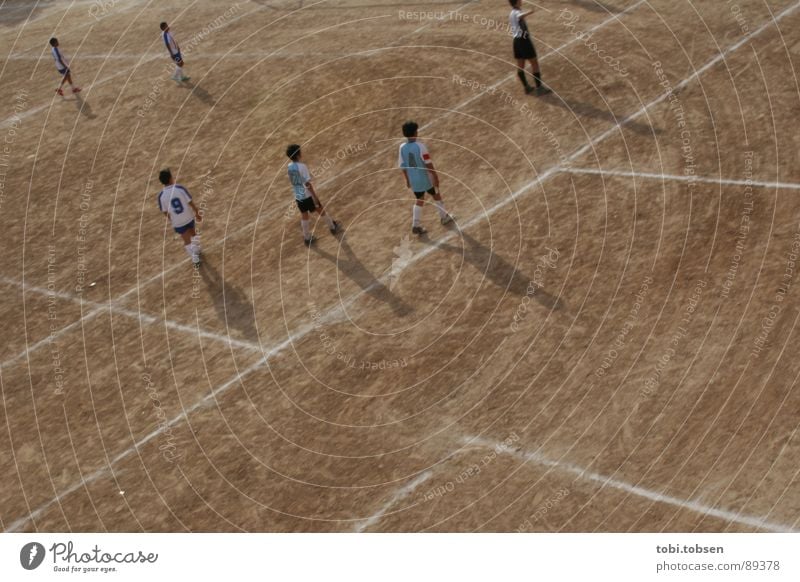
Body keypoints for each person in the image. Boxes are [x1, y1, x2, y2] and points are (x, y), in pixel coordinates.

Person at [397, 121, 453, 236]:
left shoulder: (402, 147)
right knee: (436, 194)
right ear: (415, 133)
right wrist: (435, 176)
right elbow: (428, 163)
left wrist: (407, 180)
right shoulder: (420, 146)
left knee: (419, 200)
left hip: (414, 180)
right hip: (426, 178)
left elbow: (403, 166)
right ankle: (444, 217)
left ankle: (415, 225)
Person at [286, 144, 341, 246]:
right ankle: (332, 227)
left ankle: (307, 238)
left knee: (304, 215)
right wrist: (314, 197)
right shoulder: (302, 167)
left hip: (298, 195)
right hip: (307, 195)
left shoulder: (289, 167)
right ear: (298, 155)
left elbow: (292, 180)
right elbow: (307, 183)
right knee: (320, 209)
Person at [157, 169, 202, 265]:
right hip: (188, 217)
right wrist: (197, 212)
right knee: (193, 233)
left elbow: (164, 211)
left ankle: (195, 259)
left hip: (178, 222)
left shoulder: (161, 196)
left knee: (186, 240)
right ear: (170, 179)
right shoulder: (179, 188)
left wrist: (172, 219)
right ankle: (197, 250)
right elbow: (190, 201)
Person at [509, 0, 550, 96]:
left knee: (520, 64)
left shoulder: (511, 13)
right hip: (524, 42)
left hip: (516, 41)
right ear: (516, 2)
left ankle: (526, 87)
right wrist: (530, 12)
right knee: (534, 63)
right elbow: (520, 16)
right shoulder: (517, 12)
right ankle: (539, 88)